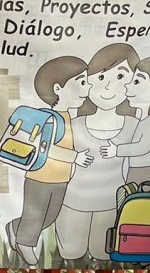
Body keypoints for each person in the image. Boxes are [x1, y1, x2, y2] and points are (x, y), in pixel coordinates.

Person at [55, 43, 141, 261]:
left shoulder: (134, 126)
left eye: (121, 77)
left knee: (102, 254)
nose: (109, 87)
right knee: (69, 253)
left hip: (111, 204)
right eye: (101, 77)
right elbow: (51, 152)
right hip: (73, 202)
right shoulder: (73, 124)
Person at [6, 56, 93, 266]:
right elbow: (47, 148)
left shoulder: (69, 117)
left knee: (50, 216)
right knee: (35, 215)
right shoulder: (50, 118)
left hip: (61, 179)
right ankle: (25, 244)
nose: (87, 87)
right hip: (40, 177)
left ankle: (15, 227)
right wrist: (76, 158)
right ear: (58, 88)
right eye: (81, 82)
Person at [103, 55, 150, 186]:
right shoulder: (140, 120)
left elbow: (143, 147)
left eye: (136, 82)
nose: (127, 85)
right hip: (136, 172)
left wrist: (116, 151)